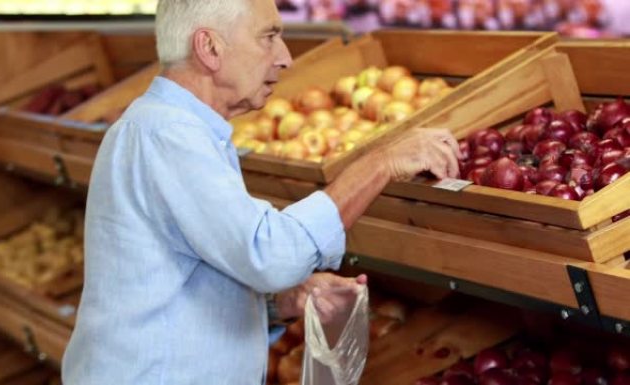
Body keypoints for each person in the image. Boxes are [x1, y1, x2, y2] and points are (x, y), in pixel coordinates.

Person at [62, 0, 461, 384]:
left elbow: (184, 280)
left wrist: (276, 304)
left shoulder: (176, 131)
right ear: (210, 48)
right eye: (268, 36)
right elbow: (270, 254)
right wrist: (381, 163)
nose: (285, 57)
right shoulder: (168, 136)